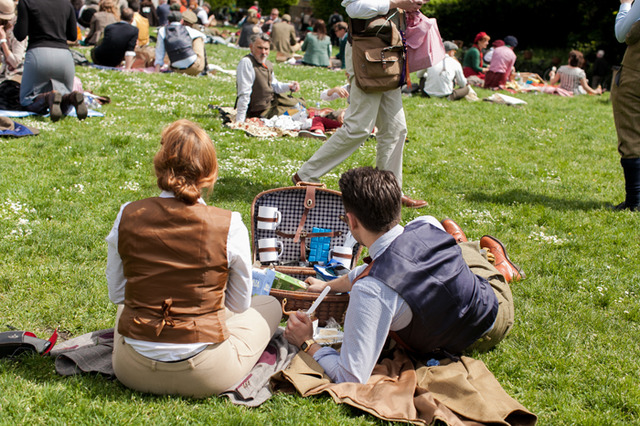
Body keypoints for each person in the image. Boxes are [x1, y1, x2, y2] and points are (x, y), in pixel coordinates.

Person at [284, 166, 521, 384]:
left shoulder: (370, 290)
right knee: (457, 250)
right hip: (482, 300)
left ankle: (501, 267)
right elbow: (377, 267)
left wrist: (307, 342)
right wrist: (330, 286)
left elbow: (351, 376)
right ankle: (466, 247)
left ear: (352, 221)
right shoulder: (426, 224)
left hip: (488, 323)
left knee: (465, 253)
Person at [107, 119, 281, 397]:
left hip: (132, 369)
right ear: (210, 173)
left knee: (124, 309)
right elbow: (239, 304)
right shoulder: (229, 224)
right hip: (204, 373)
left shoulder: (128, 213)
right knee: (269, 304)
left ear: (159, 166)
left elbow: (118, 295)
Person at [292, 0, 428, 208]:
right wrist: (396, 3)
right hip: (367, 53)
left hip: (389, 52)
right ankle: (306, 174)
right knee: (358, 127)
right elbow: (354, 8)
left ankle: (389, 192)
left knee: (396, 129)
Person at [14, 0, 87, 121]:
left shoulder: (26, 2)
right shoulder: (66, 3)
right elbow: (73, 36)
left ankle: (48, 97)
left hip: (38, 54)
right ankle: (71, 97)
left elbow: (20, 34)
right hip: (64, 57)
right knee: (63, 100)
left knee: (27, 101)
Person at [611, 0, 640, 211]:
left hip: (635, 75)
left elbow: (622, 34)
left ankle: (635, 201)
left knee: (631, 136)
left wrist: (625, 5)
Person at [235, 33, 300, 122]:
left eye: (266, 49)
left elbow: (274, 86)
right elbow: (244, 94)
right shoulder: (247, 63)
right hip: (260, 111)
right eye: (260, 48)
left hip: (272, 104)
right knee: (297, 112)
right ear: (251, 47)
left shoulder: (267, 63)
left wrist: (289, 86)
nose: (263, 52)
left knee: (300, 106)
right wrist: (240, 121)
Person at [154, 10, 206, 75]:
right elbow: (203, 36)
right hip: (194, 68)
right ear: (181, 21)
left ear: (168, 22)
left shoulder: (162, 30)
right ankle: (205, 69)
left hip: (176, 69)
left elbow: (159, 51)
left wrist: (157, 70)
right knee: (198, 39)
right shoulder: (187, 29)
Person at [0, 0, 27, 83]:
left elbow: (15, 62)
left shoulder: (17, 32)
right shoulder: (3, 30)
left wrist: (3, 41)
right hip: (4, 79)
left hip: (16, 81)